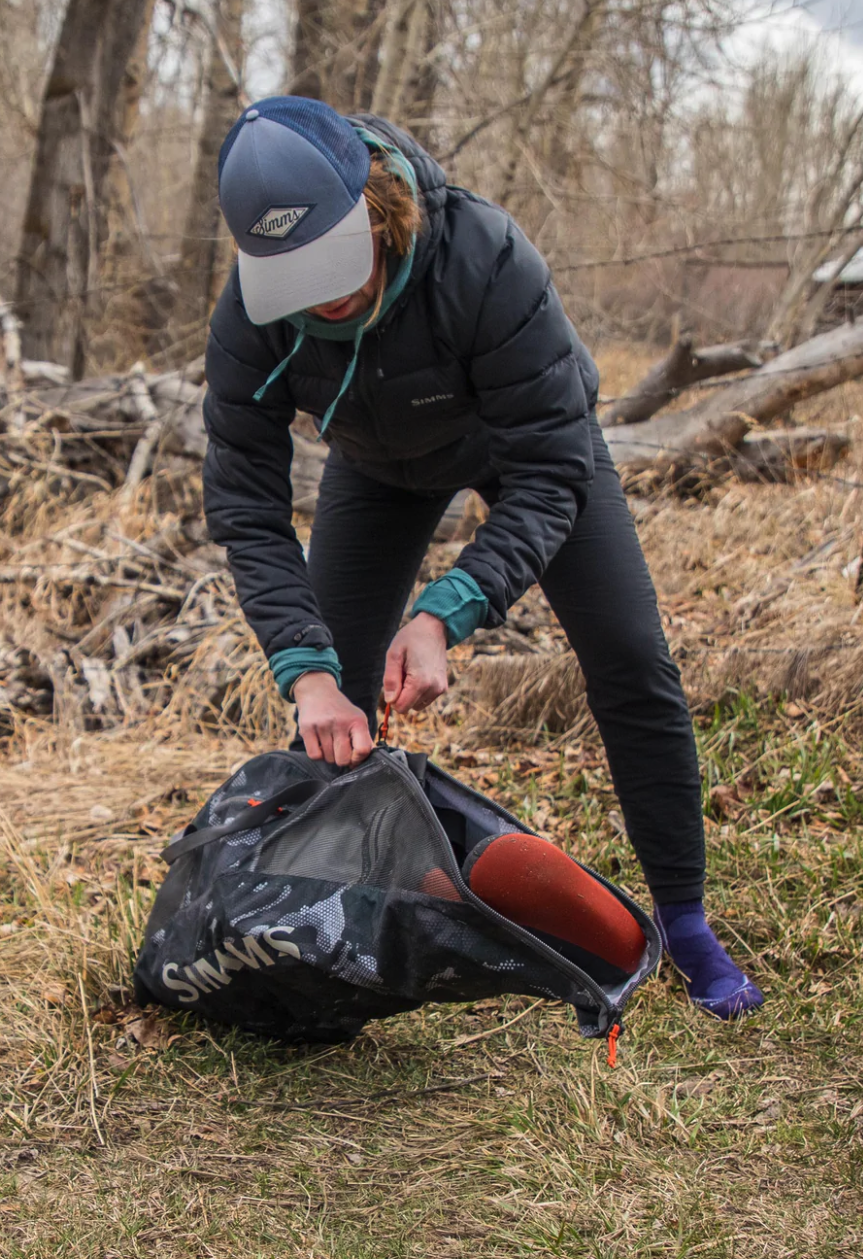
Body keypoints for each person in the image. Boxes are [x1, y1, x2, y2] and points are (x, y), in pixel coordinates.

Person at [200, 96, 763, 1020]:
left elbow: (550, 469)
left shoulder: (484, 258)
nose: (324, 295)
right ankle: (340, 933)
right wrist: (304, 672)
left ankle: (687, 922)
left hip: (529, 452)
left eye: (333, 264)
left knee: (629, 652)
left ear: (372, 206)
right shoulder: (250, 316)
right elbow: (247, 509)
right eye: (293, 276)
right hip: (379, 467)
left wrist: (445, 612)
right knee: (331, 704)